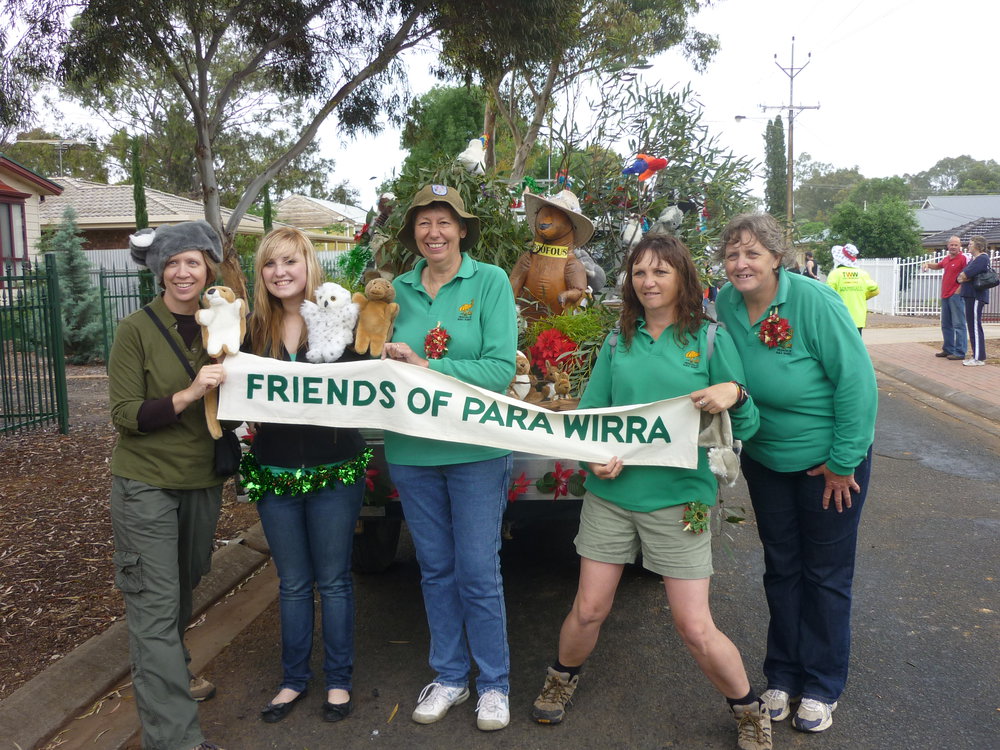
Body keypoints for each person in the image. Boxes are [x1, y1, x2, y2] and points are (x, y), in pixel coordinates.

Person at [530, 235, 771, 750]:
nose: (649, 282)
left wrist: (736, 393)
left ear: (682, 277)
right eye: (640, 273)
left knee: (693, 626)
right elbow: (590, 420)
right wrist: (589, 459)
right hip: (613, 498)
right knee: (589, 608)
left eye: (661, 272)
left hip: (681, 499)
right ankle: (561, 678)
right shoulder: (620, 340)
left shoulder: (709, 340)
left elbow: (746, 422)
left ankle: (748, 708)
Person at [715, 213, 877, 735]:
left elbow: (856, 381)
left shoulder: (813, 301)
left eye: (753, 253)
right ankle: (782, 674)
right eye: (733, 254)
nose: (741, 263)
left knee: (825, 574)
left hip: (829, 463)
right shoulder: (725, 303)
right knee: (782, 567)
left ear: (776, 258)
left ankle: (823, 683)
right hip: (768, 459)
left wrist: (842, 461)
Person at [380, 184, 517, 731]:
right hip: (411, 449)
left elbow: (499, 369)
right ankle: (451, 677)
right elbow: (368, 356)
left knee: (478, 570)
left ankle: (494, 684)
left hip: (476, 449)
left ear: (463, 229)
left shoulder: (490, 282)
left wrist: (425, 367)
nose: (433, 232)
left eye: (444, 222)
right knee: (435, 569)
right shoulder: (395, 290)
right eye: (423, 223)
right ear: (413, 231)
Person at [243, 227, 370, 724]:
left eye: (290, 261)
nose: (281, 272)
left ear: (309, 265)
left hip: (335, 470)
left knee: (334, 580)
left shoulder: (342, 316)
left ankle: (338, 680)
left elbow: (367, 375)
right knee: (293, 583)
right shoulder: (251, 329)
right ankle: (293, 679)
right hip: (274, 473)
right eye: (271, 264)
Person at [110, 221, 228, 750]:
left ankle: (172, 671)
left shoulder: (221, 329)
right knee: (155, 610)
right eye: (174, 263)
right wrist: (187, 393)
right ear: (160, 271)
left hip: (201, 481)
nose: (184, 272)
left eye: (193, 262)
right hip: (146, 484)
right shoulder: (135, 329)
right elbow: (125, 414)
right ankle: (176, 739)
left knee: (183, 590)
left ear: (208, 269)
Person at [922, 236, 968, 360]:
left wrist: (959, 290)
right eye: (951, 245)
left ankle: (960, 352)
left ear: (960, 246)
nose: (953, 247)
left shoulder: (963, 259)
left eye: (955, 245)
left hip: (956, 296)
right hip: (945, 295)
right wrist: (927, 265)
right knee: (946, 324)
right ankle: (948, 349)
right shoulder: (947, 259)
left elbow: (968, 275)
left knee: (959, 324)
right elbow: (938, 265)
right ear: (948, 246)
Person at [826, 243, 880, 334]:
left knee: (841, 344)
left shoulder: (835, 274)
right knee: (856, 345)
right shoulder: (862, 274)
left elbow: (827, 294)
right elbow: (875, 290)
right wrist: (863, 296)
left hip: (840, 317)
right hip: (858, 317)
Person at [956, 235, 991, 366]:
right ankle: (976, 355)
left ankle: (978, 358)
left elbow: (964, 275)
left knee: (975, 326)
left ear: (978, 245)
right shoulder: (974, 259)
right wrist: (964, 277)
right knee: (971, 326)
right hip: (970, 296)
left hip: (976, 296)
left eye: (971, 244)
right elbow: (961, 276)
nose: (968, 246)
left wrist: (964, 277)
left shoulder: (982, 258)